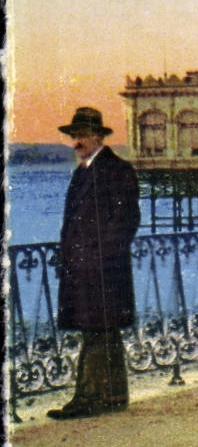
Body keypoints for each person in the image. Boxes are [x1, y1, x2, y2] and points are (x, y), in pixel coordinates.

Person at [47, 107, 141, 420]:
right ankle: (112, 396)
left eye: (82, 136)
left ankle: (88, 398)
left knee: (97, 331)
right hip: (88, 267)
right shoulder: (85, 170)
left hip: (102, 269)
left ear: (99, 136)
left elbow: (126, 220)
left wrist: (100, 257)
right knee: (102, 331)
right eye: (74, 136)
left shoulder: (116, 170)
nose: (76, 142)